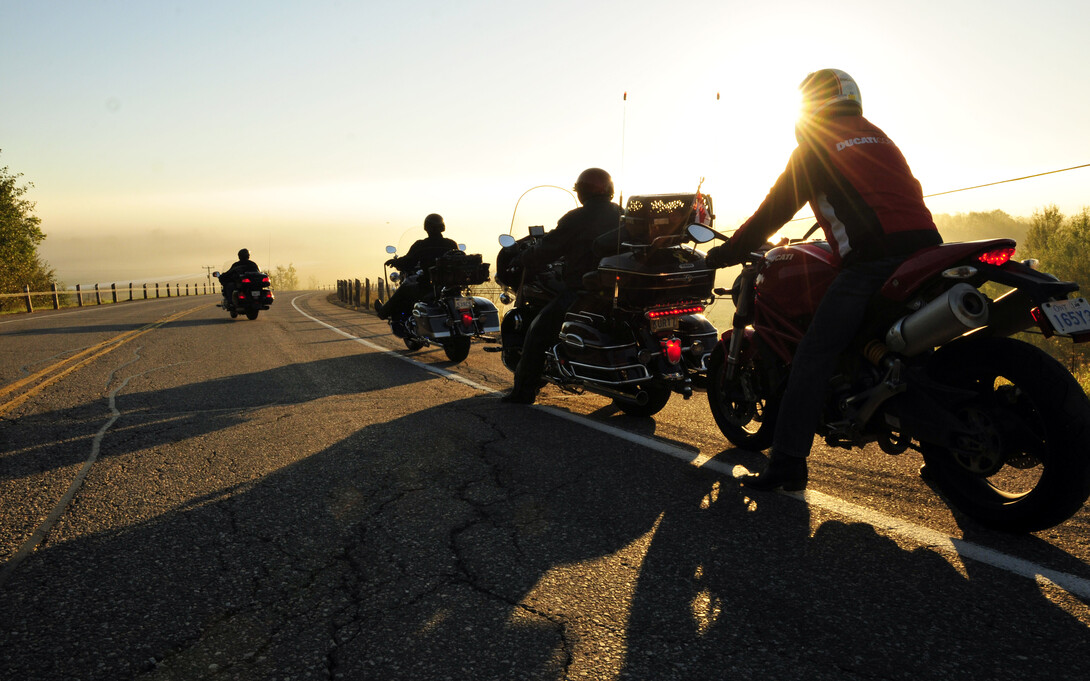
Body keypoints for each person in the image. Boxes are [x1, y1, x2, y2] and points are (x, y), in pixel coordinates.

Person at [703, 69, 943, 491]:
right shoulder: (880, 137)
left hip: (873, 262)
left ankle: (788, 466)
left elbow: (773, 212)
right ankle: (944, 455)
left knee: (812, 357)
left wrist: (725, 252)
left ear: (810, 105)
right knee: (916, 350)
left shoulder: (814, 147)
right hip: (928, 253)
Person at [502, 167, 623, 404]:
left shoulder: (577, 218)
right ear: (609, 189)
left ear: (583, 192)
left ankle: (523, 392)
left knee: (538, 330)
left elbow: (549, 248)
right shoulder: (623, 214)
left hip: (583, 289)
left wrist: (522, 259)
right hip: (619, 288)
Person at [376, 213, 459, 320]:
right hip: (449, 287)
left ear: (426, 228)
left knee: (404, 288)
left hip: (428, 286)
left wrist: (395, 262)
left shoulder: (422, 245)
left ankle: (383, 312)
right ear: (442, 227)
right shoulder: (451, 244)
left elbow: (408, 262)